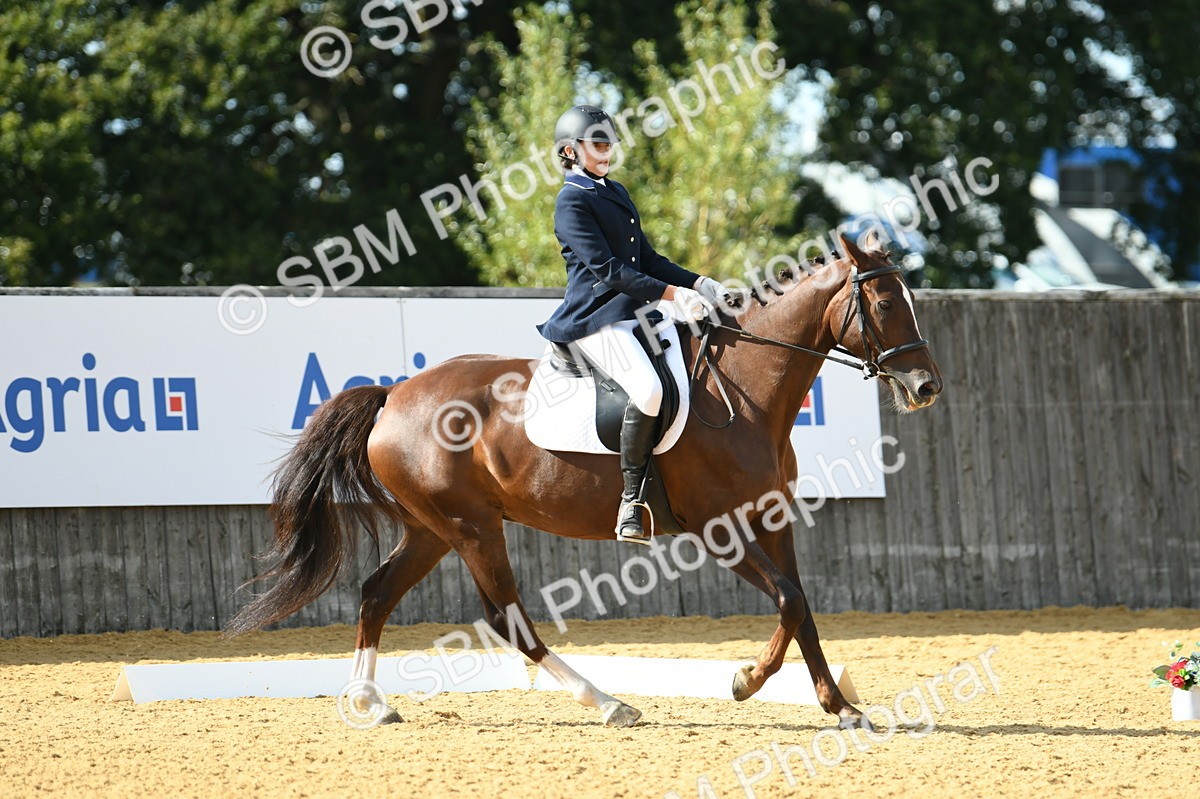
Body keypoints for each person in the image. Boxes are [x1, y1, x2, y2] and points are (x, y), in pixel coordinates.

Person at [536, 104, 738, 543]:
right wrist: (673, 295)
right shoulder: (571, 201)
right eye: (599, 143)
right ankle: (632, 501)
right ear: (571, 151)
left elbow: (647, 260)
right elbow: (608, 270)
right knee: (648, 389)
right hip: (595, 318)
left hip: (637, 311)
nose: (608, 151)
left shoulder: (616, 192)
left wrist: (699, 282)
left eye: (611, 143)